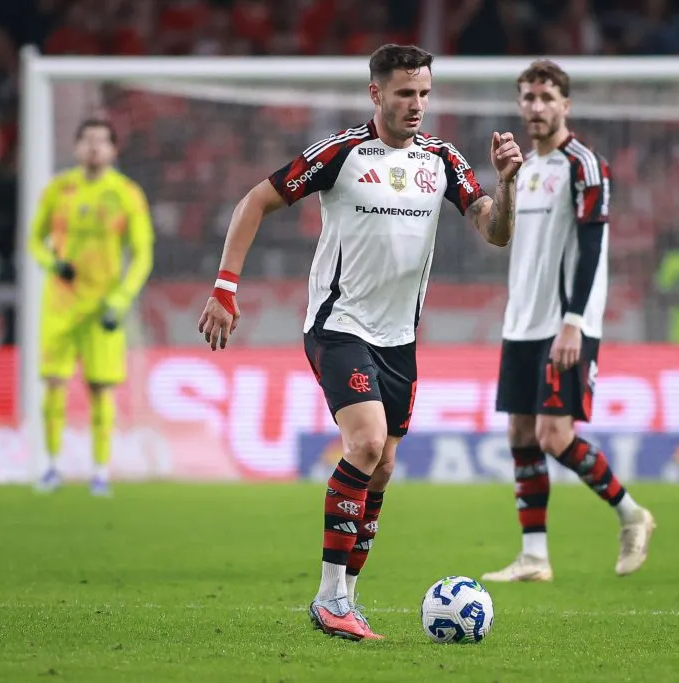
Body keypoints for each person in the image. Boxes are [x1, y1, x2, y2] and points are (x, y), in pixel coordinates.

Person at [197, 43, 523, 641]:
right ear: (376, 94)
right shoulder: (341, 153)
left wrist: (508, 185)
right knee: (367, 442)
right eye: (405, 93)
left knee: (382, 468)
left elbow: (494, 231)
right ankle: (327, 598)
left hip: (400, 341)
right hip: (337, 326)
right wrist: (224, 287)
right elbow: (256, 201)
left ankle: (347, 596)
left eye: (424, 93)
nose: (417, 104)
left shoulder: (443, 160)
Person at [480, 60, 655, 585]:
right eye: (527, 98)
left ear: (565, 105)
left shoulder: (583, 164)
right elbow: (505, 234)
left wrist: (575, 321)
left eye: (545, 97)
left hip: (567, 323)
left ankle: (632, 514)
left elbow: (592, 244)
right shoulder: (523, 169)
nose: (535, 107)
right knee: (520, 434)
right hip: (522, 322)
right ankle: (534, 556)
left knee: (554, 435)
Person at [28, 118, 154, 497]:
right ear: (76, 147)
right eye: (87, 140)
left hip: (103, 307)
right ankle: (49, 467)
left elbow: (143, 254)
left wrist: (119, 299)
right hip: (61, 304)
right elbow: (34, 240)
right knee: (53, 382)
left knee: (101, 389)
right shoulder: (58, 188)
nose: (94, 147)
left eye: (102, 141)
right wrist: (52, 263)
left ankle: (100, 471)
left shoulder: (127, 193)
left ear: (114, 150)